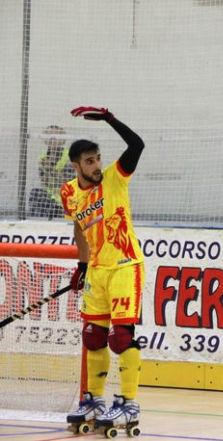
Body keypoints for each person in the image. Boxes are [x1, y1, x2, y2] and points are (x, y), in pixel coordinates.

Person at [61, 106, 145, 435]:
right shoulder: (69, 193)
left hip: (125, 265)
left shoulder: (115, 176)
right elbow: (80, 230)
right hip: (96, 269)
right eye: (89, 161)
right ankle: (93, 400)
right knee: (93, 336)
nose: (96, 165)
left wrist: (110, 119)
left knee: (121, 337)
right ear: (76, 166)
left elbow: (137, 145)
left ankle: (128, 402)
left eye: (97, 158)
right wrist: (82, 264)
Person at [29, 125, 75, 218]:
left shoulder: (69, 156)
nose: (52, 138)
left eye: (56, 135)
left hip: (66, 196)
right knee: (35, 193)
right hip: (50, 195)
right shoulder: (42, 156)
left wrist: (49, 168)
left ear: (62, 138)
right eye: (49, 134)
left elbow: (65, 181)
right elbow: (45, 182)